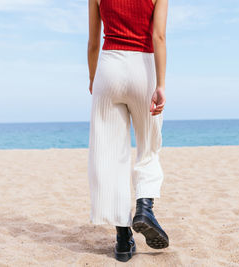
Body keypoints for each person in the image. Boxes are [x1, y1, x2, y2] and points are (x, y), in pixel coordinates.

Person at [87, 0, 169, 262]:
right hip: (143, 68)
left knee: (110, 155)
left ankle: (123, 239)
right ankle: (144, 207)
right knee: (148, 147)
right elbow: (159, 36)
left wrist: (92, 78)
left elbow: (92, 42)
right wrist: (161, 85)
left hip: (109, 67)